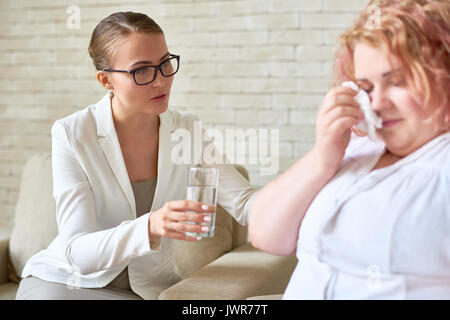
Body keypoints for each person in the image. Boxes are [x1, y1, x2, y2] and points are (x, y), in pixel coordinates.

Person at [16, 12, 258, 300]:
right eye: (141, 70)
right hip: (64, 284)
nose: (161, 81)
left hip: (145, 290)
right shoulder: (72, 133)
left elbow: (244, 202)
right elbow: (76, 252)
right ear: (106, 80)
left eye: (165, 63)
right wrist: (151, 225)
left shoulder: (186, 130)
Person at [249, 0, 449, 299]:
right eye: (366, 87)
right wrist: (321, 159)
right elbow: (265, 235)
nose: (379, 103)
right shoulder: (358, 146)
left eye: (397, 82)